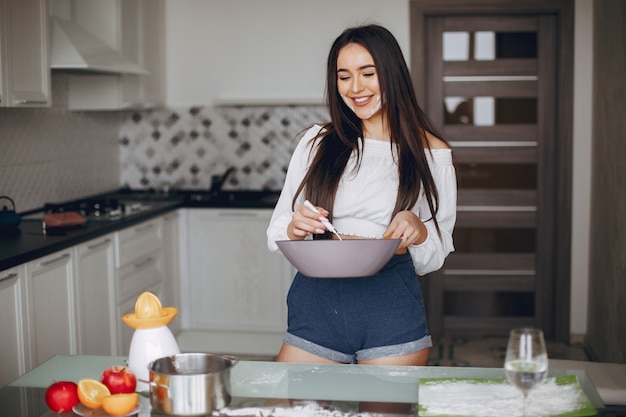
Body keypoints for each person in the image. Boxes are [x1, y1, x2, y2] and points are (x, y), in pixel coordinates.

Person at [267, 24, 456, 367]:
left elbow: (434, 255)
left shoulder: (432, 153)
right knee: (287, 408)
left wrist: (419, 227)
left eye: (368, 73)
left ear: (392, 74)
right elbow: (277, 230)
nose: (355, 88)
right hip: (317, 304)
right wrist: (295, 226)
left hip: (390, 307)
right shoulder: (316, 143)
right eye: (344, 76)